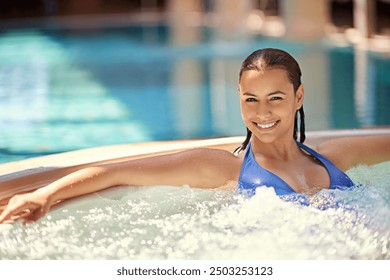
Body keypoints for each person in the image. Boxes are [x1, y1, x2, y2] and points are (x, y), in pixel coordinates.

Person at [0, 48, 389, 224]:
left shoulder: (335, 156)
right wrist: (44, 194)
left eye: (276, 99)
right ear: (239, 97)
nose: (262, 113)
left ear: (298, 97)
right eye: (251, 99)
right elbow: (115, 172)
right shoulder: (220, 167)